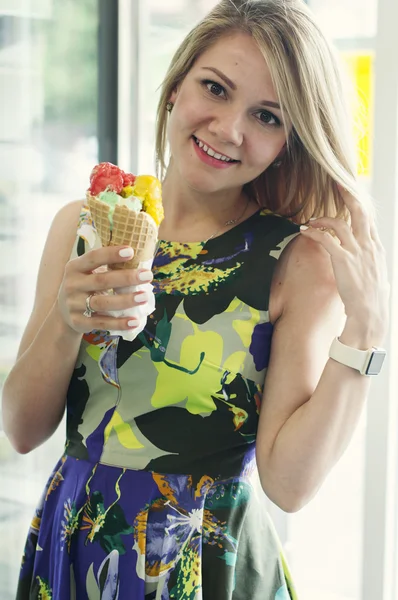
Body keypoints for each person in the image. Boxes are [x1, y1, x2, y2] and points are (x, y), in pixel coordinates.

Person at [2, 0, 390, 598]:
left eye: (266, 116)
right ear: (175, 87)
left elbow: (290, 485)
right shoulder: (82, 225)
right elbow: (23, 430)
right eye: (216, 88)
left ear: (290, 141)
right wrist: (64, 319)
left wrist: (365, 331)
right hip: (78, 543)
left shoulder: (296, 263)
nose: (229, 128)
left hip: (205, 564)